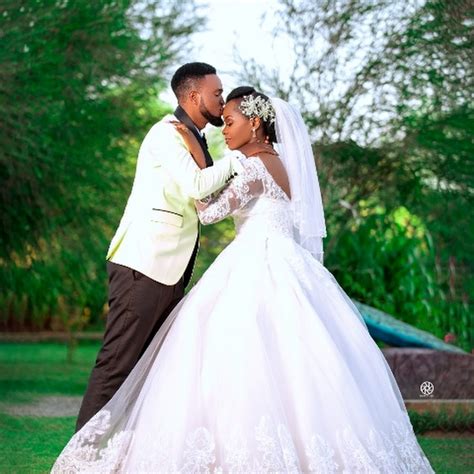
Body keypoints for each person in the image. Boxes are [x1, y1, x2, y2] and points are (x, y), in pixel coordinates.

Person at [52, 87, 434, 472]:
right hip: (289, 263)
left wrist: (194, 167)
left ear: (254, 123)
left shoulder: (252, 167)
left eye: (230, 122)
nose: (224, 131)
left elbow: (209, 213)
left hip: (255, 261)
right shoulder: (281, 162)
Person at [75, 64, 273, 432]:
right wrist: (240, 158)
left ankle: (123, 451)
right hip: (144, 266)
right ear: (195, 96)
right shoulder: (166, 133)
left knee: (150, 369)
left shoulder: (195, 138)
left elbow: (209, 197)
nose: (222, 101)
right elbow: (198, 185)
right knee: (118, 363)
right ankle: (83, 454)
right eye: (217, 94)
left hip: (171, 271)